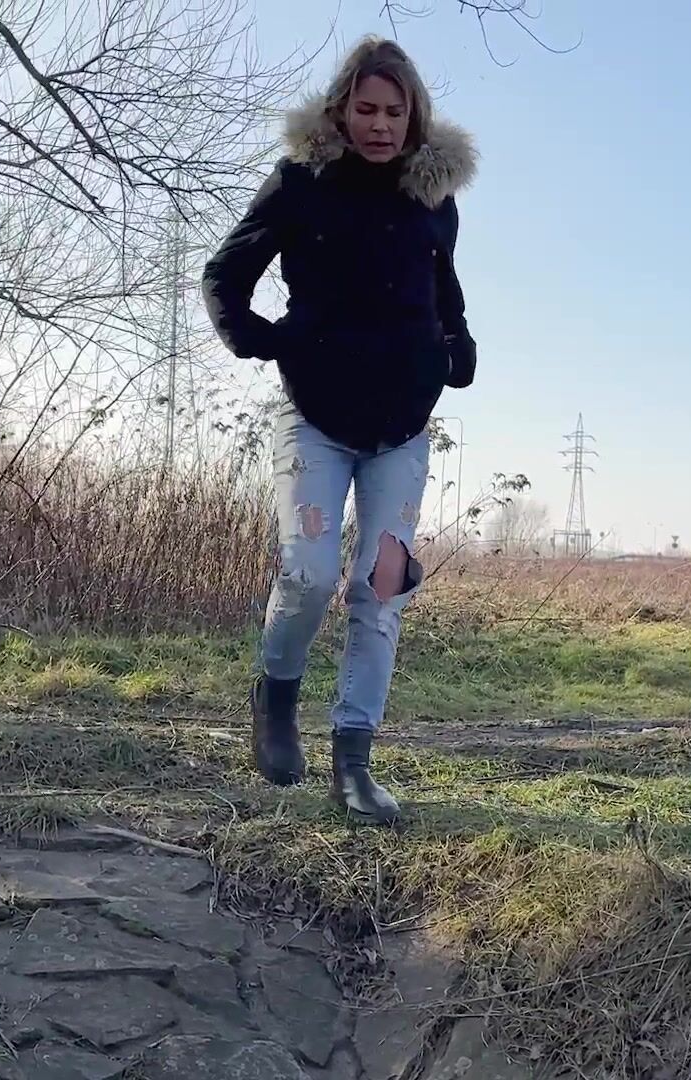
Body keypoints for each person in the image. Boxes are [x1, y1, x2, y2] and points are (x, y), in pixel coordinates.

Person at [201, 37, 478, 824]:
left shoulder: (434, 198)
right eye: (366, 109)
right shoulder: (301, 184)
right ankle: (275, 700)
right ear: (342, 109)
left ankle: (353, 764)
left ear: (414, 116)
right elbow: (226, 275)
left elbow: (442, 288)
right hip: (316, 418)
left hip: (402, 425)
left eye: (395, 112)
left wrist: (456, 346)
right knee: (310, 572)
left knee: (380, 588)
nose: (381, 125)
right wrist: (259, 339)